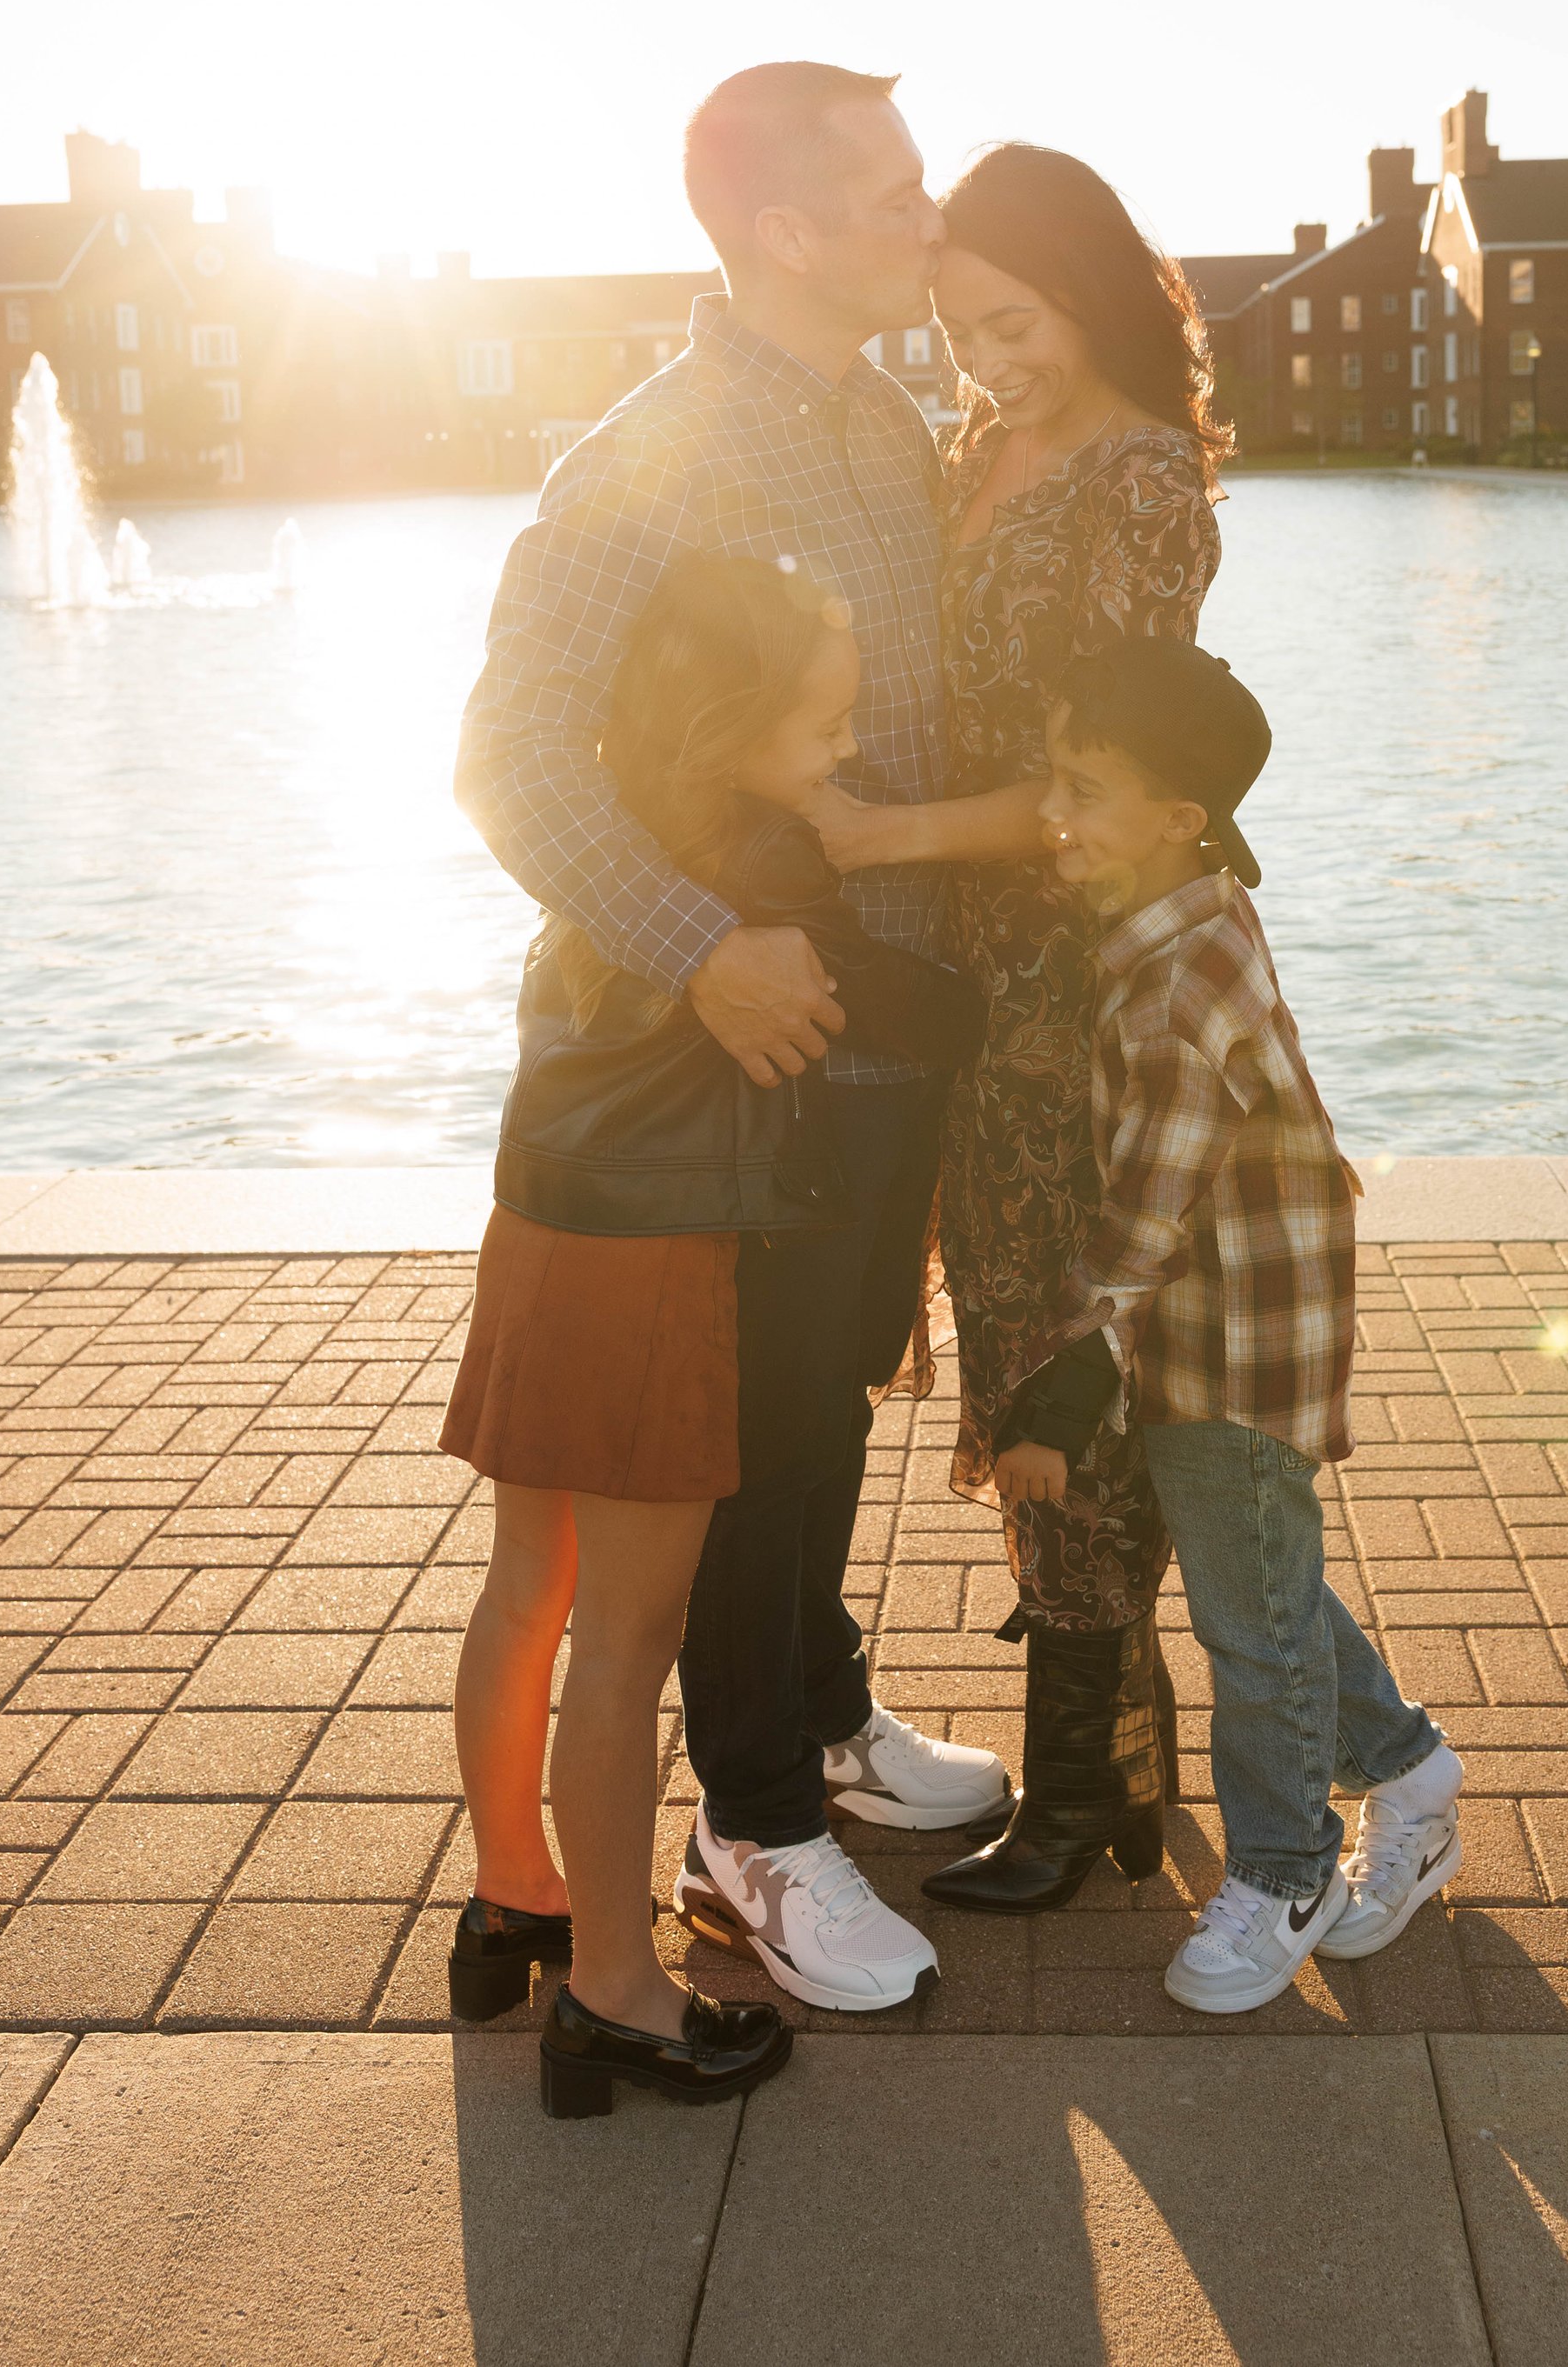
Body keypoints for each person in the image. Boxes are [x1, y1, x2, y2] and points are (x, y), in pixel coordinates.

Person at [455, 63, 1011, 2027]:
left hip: (890, 1038)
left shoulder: (899, 421)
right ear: (780, 229)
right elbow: (510, 760)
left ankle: (826, 1710)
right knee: (757, 1442)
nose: (925, 224)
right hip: (745, 1061)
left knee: (832, 1411)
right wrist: (704, 951)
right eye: (891, 195)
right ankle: (757, 1830)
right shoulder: (647, 454)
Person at [443, 550, 983, 2114]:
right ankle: (615, 1992)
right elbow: (927, 1016)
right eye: (823, 717)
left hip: (542, 1227)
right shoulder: (762, 873)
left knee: (526, 1589)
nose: (848, 738)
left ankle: (513, 1902)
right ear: (733, 720)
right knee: (625, 1644)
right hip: (659, 1262)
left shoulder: (617, 859)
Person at [805, 144, 1223, 1914]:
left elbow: (1104, 782)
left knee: (1070, 1345)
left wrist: (885, 833)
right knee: (1010, 1329)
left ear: (1093, 292)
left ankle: (1080, 1798)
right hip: (968, 979)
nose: (986, 366)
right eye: (958, 332)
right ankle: (1115, 1765)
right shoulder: (983, 449)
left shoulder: (1139, 484)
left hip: (1080, 975)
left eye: (1015, 324)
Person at [988, 639, 1465, 2010]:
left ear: (1179, 812)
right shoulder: (1178, 914)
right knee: (1264, 1581)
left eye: (1087, 786)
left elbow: (1145, 1220)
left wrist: (1058, 1389)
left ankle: (1284, 1865)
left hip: (1231, 1334)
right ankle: (1414, 1772)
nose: (1056, 812)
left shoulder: (1183, 980)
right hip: (1218, 1318)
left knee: (1249, 1622)